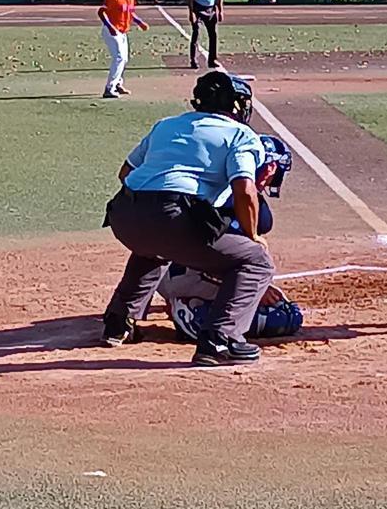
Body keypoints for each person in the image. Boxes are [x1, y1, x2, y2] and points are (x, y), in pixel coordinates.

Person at [101, 72, 276, 366]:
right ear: (234, 105)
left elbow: (125, 173)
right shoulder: (240, 135)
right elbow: (245, 191)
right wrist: (253, 235)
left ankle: (118, 323)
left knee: (154, 249)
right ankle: (219, 341)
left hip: (123, 214)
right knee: (256, 261)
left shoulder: (166, 125)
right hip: (171, 212)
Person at [158, 134, 303, 342]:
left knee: (275, 302)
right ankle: (193, 315)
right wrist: (253, 289)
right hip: (185, 272)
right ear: (269, 169)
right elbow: (210, 255)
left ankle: (193, 301)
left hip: (173, 268)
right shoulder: (233, 198)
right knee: (283, 317)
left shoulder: (218, 186)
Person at [97, 0, 149, 99]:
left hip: (122, 31)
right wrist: (110, 27)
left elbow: (130, 13)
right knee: (119, 57)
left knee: (124, 58)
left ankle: (118, 84)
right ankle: (109, 88)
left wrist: (139, 22)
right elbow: (101, 12)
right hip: (111, 31)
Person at [186, 0, 224, 69]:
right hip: (198, 8)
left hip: (210, 8)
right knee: (196, 33)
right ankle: (193, 60)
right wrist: (191, 12)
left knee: (213, 35)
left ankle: (212, 60)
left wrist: (220, 10)